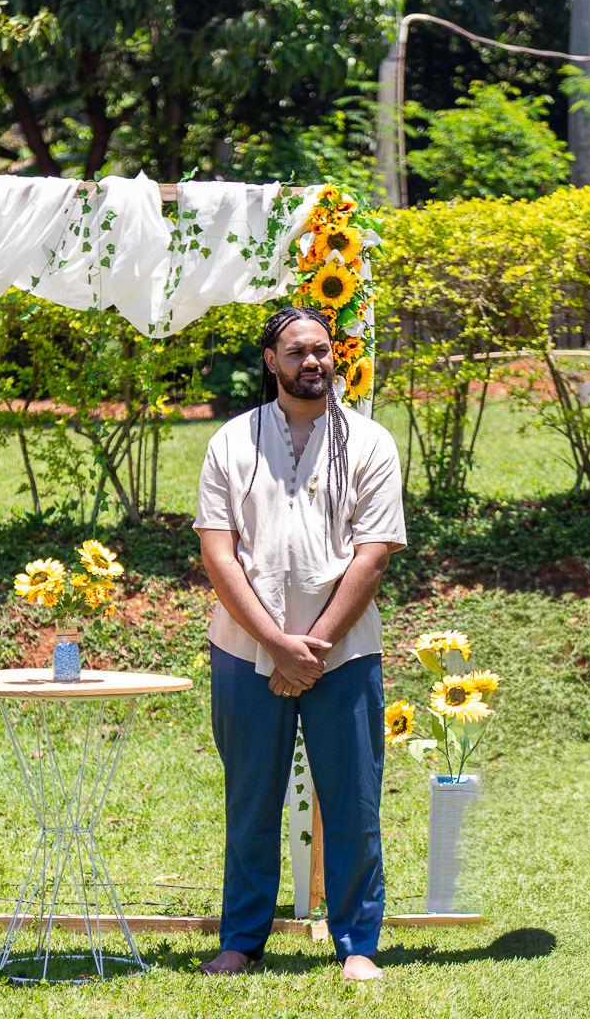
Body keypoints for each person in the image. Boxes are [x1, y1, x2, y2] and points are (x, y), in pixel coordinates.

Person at [194, 305, 406, 981]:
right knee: (251, 800)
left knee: (351, 800)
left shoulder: (370, 442)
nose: (311, 361)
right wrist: (272, 643)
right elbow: (217, 551)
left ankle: (358, 946)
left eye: (321, 350)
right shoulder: (231, 440)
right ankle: (242, 939)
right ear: (270, 361)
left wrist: (307, 648)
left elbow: (373, 556)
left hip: (343, 653)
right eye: (295, 352)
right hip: (240, 647)